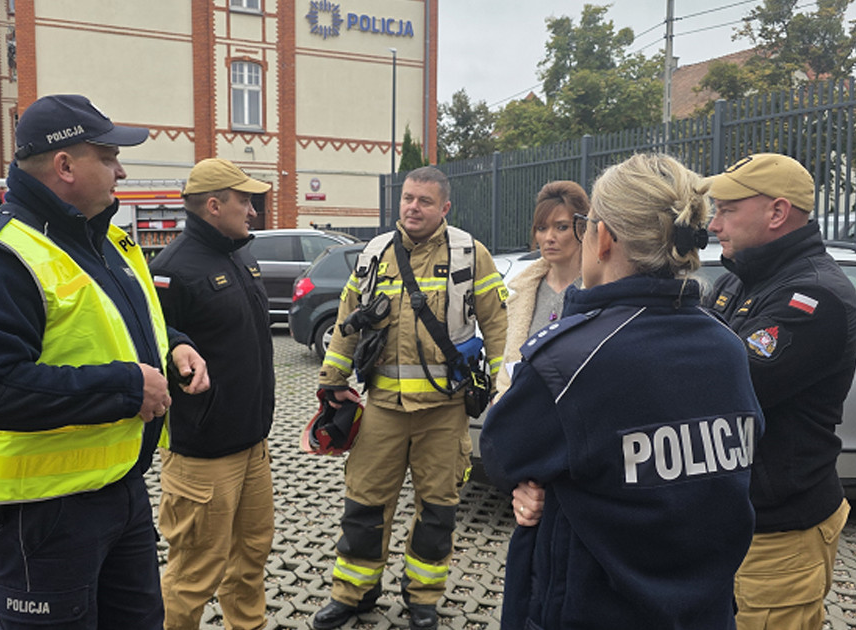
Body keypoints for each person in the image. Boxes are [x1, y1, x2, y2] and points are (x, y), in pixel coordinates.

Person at [0, 94, 208, 630]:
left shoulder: (104, 241)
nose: (121, 169)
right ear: (65, 166)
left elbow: (123, 323)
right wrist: (128, 388)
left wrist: (174, 345)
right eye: (108, 156)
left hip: (117, 488)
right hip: (43, 512)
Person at [479, 153, 764, 629]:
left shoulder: (571, 360)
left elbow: (503, 452)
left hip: (592, 607)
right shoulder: (725, 345)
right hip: (704, 610)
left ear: (603, 236)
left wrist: (548, 482)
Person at [312, 166, 508, 630]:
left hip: (444, 412)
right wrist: (332, 378)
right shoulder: (376, 254)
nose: (412, 208)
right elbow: (347, 319)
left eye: (424, 201)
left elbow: (498, 325)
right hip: (382, 407)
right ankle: (353, 592)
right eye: (407, 199)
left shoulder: (469, 253)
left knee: (437, 508)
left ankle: (422, 597)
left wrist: (502, 391)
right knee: (364, 503)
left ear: (445, 208)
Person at [703, 153, 856, 630]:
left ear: (776, 212)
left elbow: (723, 387)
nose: (713, 225)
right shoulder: (737, 281)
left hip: (778, 530)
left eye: (727, 210)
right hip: (734, 518)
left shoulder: (814, 297)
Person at [148, 158, 275, 630]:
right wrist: (176, 346)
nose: (253, 211)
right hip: (202, 458)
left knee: (250, 561)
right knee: (193, 575)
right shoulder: (170, 268)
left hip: (252, 447)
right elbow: (152, 339)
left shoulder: (241, 254)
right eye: (245, 201)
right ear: (214, 205)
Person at [494, 180, 588, 400]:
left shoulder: (596, 289)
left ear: (583, 229)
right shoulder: (524, 290)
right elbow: (509, 366)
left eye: (561, 227)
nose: (548, 238)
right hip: (526, 420)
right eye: (542, 228)